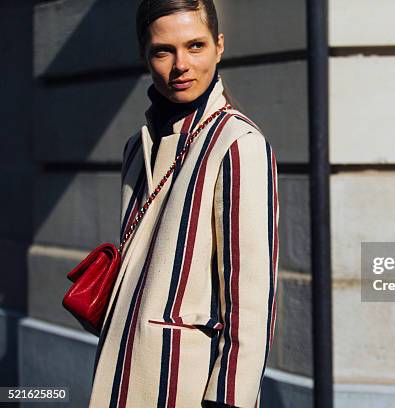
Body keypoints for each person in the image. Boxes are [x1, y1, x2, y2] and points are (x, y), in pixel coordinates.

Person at [88, 1, 279, 407]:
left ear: (218, 46)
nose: (181, 65)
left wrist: (230, 400)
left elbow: (250, 300)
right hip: (123, 369)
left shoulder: (238, 144)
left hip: (182, 385)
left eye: (195, 46)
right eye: (163, 51)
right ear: (145, 56)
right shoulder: (137, 149)